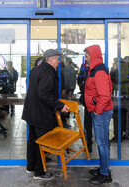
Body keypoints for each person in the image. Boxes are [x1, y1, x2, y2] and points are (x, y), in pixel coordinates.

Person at [22, 49, 69, 180]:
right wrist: (60, 106)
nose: (59, 62)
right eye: (57, 59)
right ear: (51, 59)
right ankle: (39, 172)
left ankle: (30, 167)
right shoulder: (48, 73)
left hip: (31, 113)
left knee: (32, 140)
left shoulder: (36, 70)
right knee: (41, 143)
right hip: (40, 114)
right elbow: (45, 95)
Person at [84, 45, 114, 185]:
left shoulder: (99, 71)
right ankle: (103, 168)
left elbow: (105, 95)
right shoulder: (93, 69)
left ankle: (104, 174)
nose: (85, 57)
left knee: (102, 143)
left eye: (87, 54)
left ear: (94, 54)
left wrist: (97, 110)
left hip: (101, 112)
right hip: (98, 111)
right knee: (101, 142)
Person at [77, 60, 93, 153]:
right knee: (88, 124)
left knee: (89, 124)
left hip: (91, 102)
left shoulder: (95, 71)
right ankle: (88, 145)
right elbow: (79, 81)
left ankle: (89, 145)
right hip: (88, 101)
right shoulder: (84, 70)